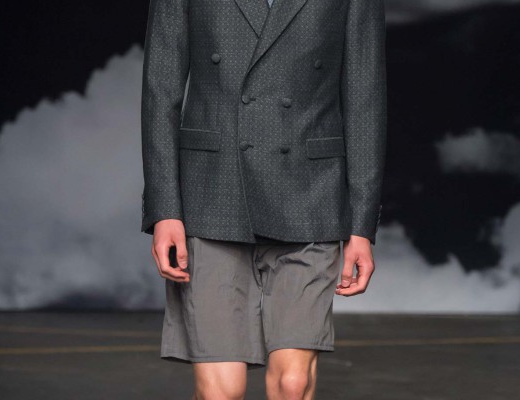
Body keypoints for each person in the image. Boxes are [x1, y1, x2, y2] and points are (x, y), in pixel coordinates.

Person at [140, 0, 387, 398]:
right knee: (222, 392)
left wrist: (361, 226)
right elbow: (160, 90)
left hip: (311, 196)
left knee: (293, 384)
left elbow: (365, 101)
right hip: (212, 195)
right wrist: (165, 209)